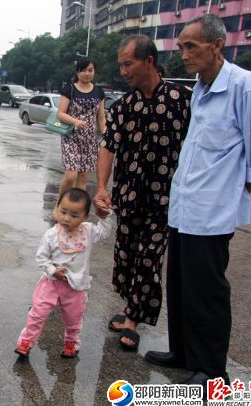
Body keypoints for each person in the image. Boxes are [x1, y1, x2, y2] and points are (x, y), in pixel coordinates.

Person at [144, 14, 251, 388]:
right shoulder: (200, 86)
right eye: (181, 47)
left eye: (191, 47)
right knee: (181, 284)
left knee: (207, 291)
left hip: (212, 211)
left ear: (217, 45)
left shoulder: (246, 86)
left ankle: (213, 369)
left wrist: (233, 197)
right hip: (184, 206)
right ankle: (183, 352)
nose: (184, 54)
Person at [94, 35, 192, 351]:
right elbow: (108, 148)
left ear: (148, 61)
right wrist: (101, 188)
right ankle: (129, 306)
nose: (123, 71)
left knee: (149, 257)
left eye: (128, 63)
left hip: (166, 198)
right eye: (121, 64)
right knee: (126, 255)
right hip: (128, 195)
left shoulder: (182, 99)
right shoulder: (123, 106)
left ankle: (133, 321)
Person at [15, 188, 114, 358]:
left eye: (75, 215)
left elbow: (105, 231)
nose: (67, 218)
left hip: (76, 286)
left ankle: (71, 343)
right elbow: (41, 258)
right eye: (63, 212)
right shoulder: (51, 234)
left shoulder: (88, 231)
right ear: (56, 209)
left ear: (85, 217)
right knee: (37, 313)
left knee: (74, 318)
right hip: (51, 283)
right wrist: (53, 271)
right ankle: (26, 342)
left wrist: (105, 215)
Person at [56, 58, 106, 195]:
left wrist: (106, 136)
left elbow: (101, 118)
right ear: (77, 72)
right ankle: (60, 205)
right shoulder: (69, 89)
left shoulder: (99, 92)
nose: (87, 73)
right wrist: (75, 121)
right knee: (71, 175)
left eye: (90, 70)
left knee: (83, 177)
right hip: (71, 137)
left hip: (90, 140)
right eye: (83, 70)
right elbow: (60, 113)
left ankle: (77, 210)